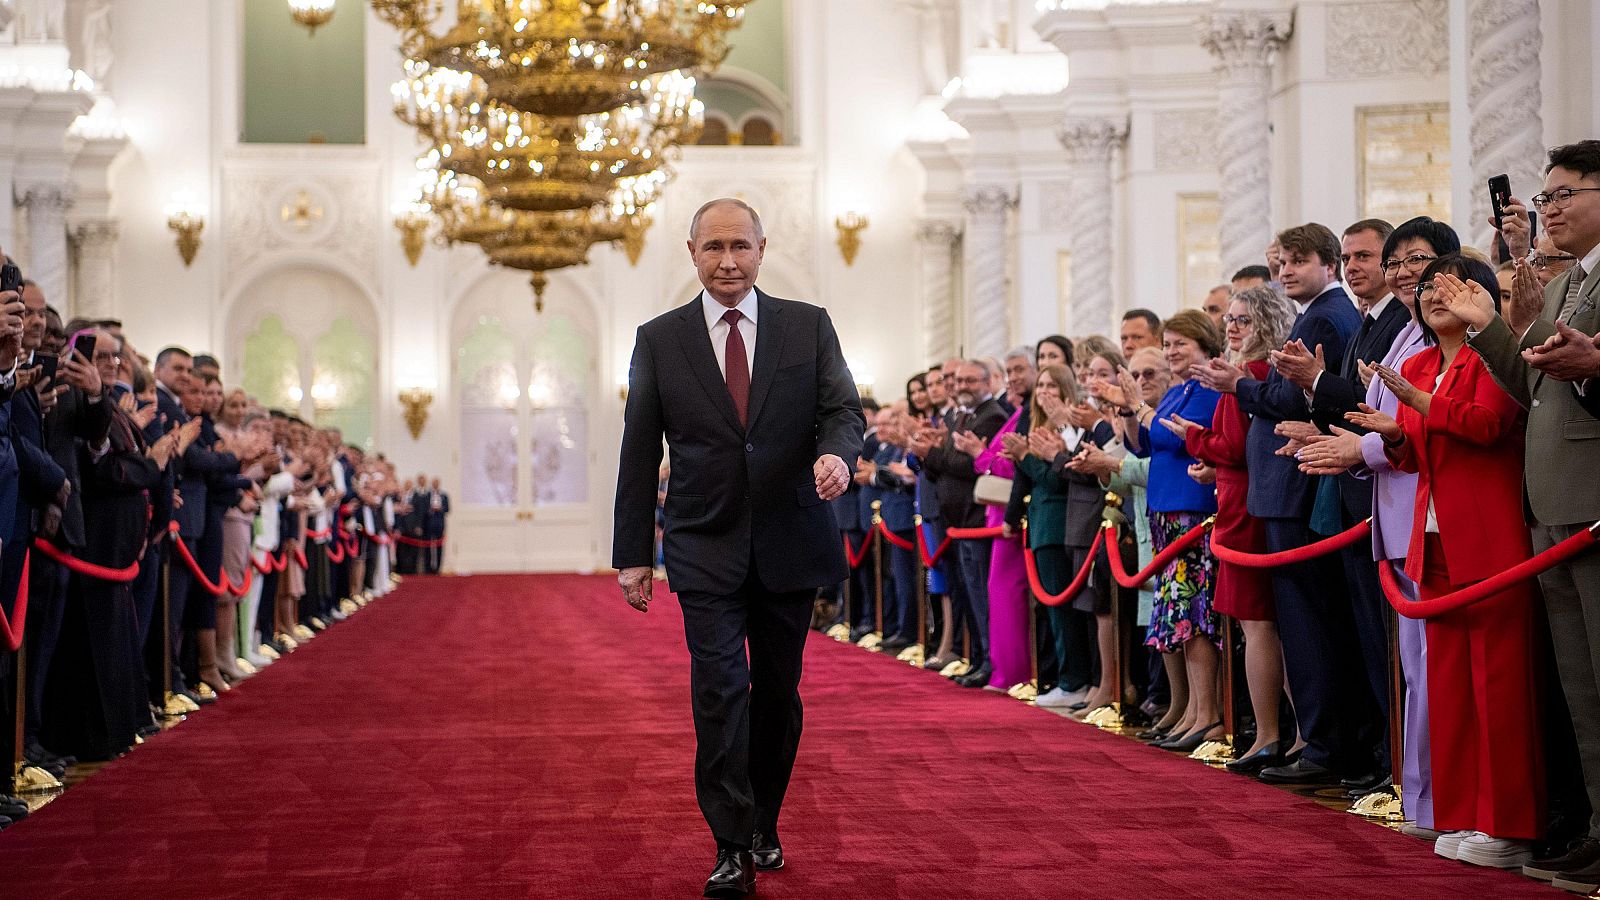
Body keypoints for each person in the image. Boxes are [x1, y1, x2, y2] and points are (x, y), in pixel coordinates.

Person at [612, 197, 864, 897]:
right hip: (703, 542)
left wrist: (840, 456)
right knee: (720, 691)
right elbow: (639, 449)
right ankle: (729, 843)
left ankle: (763, 820)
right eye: (714, 248)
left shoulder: (807, 327)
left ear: (762, 248)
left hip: (792, 535)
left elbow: (842, 410)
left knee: (777, 694)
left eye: (741, 247)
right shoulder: (659, 339)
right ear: (691, 251)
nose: (728, 261)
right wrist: (632, 551)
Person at [1351, 255, 1544, 869]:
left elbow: (1491, 425)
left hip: (1489, 534)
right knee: (1451, 683)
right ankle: (1459, 812)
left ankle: (1508, 823)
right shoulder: (1417, 362)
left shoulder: (1496, 354)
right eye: (1427, 287)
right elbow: (1415, 458)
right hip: (1431, 537)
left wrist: (1421, 408)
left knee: (1500, 684)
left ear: (1481, 298)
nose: (1435, 295)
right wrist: (1397, 432)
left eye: (1450, 286)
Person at [1448, 141, 1600, 889]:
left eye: (1564, 193)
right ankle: (1598, 830)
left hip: (1593, 501)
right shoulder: (1573, 281)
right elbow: (1535, 384)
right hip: (1553, 505)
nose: (1549, 209)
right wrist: (1491, 328)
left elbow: (1581, 374)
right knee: (1581, 689)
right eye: (1545, 198)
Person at [1194, 222, 1366, 785]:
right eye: (1281, 262)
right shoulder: (1328, 313)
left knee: (1309, 627)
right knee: (1303, 625)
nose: (1286, 270)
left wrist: (1237, 387)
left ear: (1328, 263)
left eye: (1298, 261)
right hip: (1290, 488)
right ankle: (1318, 742)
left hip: (1295, 486)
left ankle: (1322, 747)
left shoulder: (1323, 317)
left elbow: (1295, 396)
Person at [1164, 286, 1295, 772]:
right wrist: (1206, 454)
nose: (1233, 327)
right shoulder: (1248, 373)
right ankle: (1277, 734)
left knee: (1259, 625)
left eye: (1244, 319)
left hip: (1245, 509)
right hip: (1238, 499)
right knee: (1259, 625)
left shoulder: (1253, 374)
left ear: (1265, 323)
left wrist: (1194, 438)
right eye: (1230, 320)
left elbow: (1235, 447)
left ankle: (1270, 735)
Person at [1124, 310, 1222, 754]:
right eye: (1168, 344)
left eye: (1180, 343)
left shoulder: (1207, 388)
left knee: (1194, 615)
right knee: (1174, 616)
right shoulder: (1179, 389)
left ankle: (1208, 715)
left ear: (1204, 344)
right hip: (1165, 509)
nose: (1171, 351)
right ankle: (1187, 709)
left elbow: (1178, 438)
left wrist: (1141, 409)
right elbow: (1140, 443)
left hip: (1191, 511)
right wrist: (1130, 411)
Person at [911, 359, 1008, 688]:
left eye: (970, 380)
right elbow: (951, 463)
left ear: (987, 381)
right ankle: (978, 657)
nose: (962, 385)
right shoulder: (964, 416)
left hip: (976, 519)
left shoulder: (992, 415)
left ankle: (988, 661)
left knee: (980, 596)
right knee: (969, 595)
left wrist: (934, 453)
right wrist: (934, 454)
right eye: (959, 380)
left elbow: (969, 465)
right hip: (959, 521)